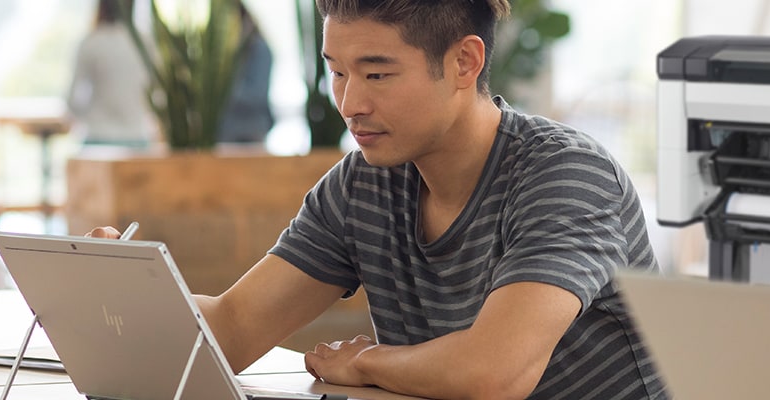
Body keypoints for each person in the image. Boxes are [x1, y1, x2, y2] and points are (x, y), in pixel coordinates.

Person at [89, 0, 670, 398]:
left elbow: (496, 373)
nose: (349, 104)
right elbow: (235, 327)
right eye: (337, 73)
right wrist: (129, 293)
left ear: (464, 62)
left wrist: (365, 361)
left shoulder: (565, 174)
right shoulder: (363, 183)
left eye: (377, 75)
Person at [65, 0, 156, 148]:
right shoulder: (146, 43)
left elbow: (72, 101)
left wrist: (90, 117)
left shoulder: (91, 42)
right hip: (138, 138)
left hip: (97, 138)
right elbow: (157, 96)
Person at [217, 2, 275, 144]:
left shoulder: (259, 48)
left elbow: (256, 94)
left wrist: (219, 89)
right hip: (224, 134)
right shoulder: (225, 55)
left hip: (250, 133)